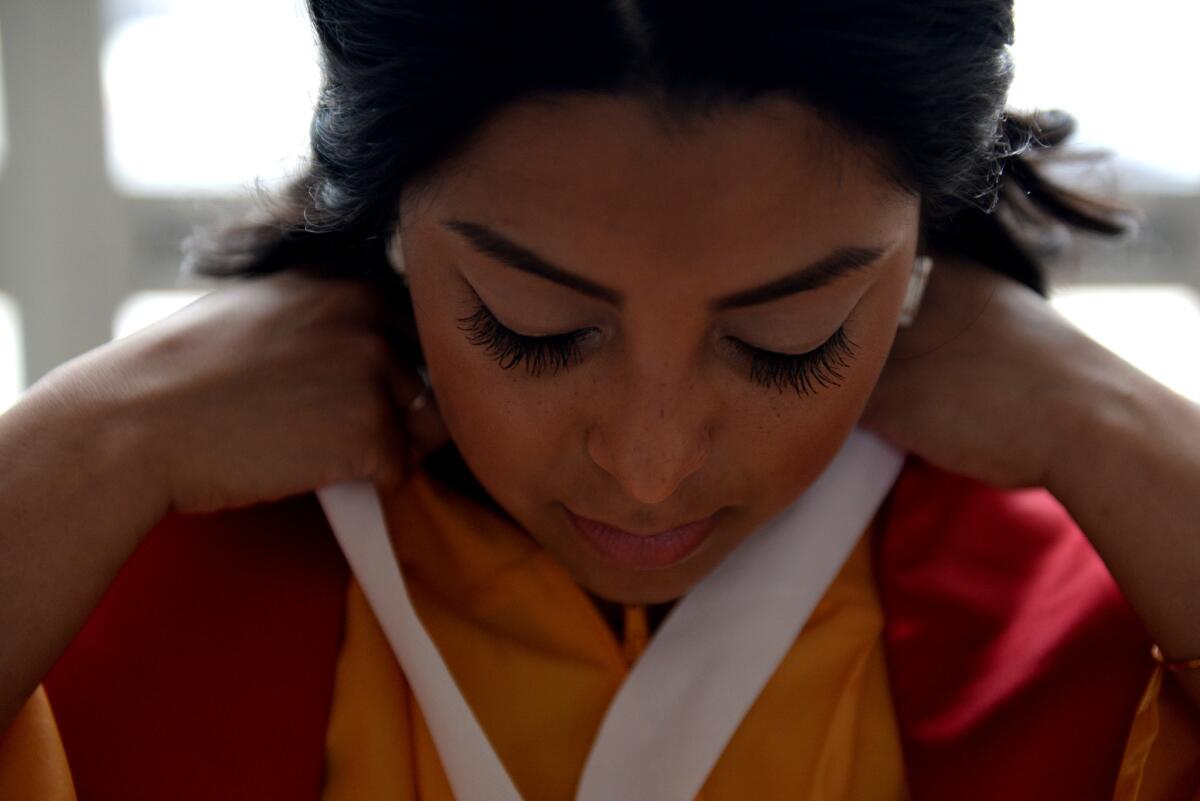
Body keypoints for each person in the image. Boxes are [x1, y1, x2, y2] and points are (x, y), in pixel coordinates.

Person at [1, 0, 1198, 798]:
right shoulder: (114, 571)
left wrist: (1121, 427)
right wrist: (86, 440)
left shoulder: (1096, 601)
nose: (650, 463)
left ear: (920, 245)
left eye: (789, 341)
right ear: (393, 221)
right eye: (531, 328)